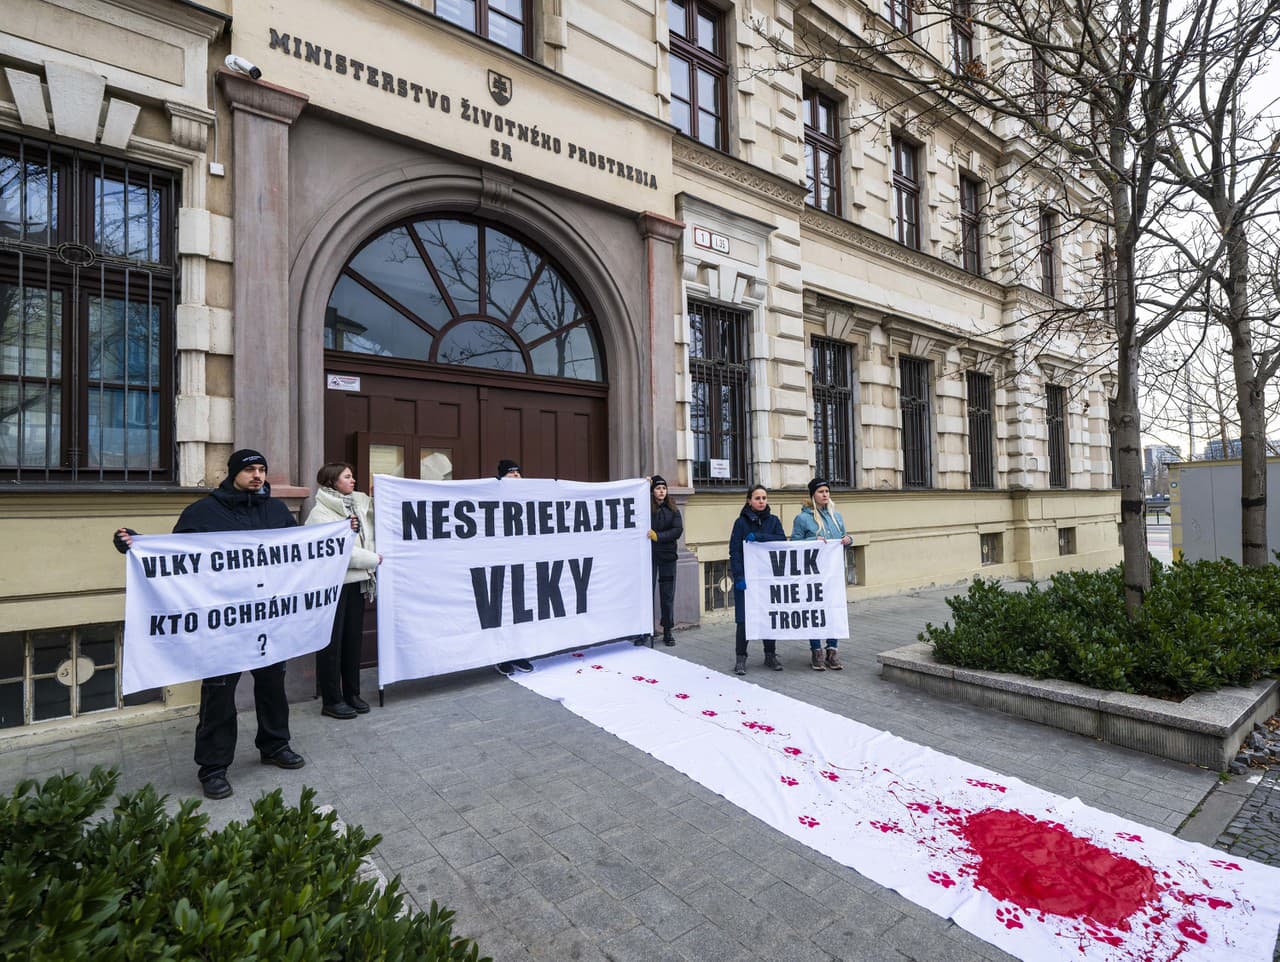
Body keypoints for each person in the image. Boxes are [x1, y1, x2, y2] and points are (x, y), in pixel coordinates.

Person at [113, 449, 306, 800]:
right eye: (250, 470)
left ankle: (275, 745)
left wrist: (341, 535)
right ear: (233, 473)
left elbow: (298, 552)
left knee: (272, 685)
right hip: (222, 625)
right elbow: (175, 557)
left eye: (262, 469)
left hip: (267, 617)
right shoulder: (203, 512)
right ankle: (213, 768)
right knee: (218, 694)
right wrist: (136, 544)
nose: (258, 476)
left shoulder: (276, 510)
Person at [305, 462, 381, 719]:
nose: (353, 480)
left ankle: (352, 693)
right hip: (333, 586)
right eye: (347, 477)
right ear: (331, 481)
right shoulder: (320, 514)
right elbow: (338, 550)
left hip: (357, 582)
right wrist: (374, 558)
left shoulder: (358, 504)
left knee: (352, 641)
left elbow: (378, 517)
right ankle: (331, 700)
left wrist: (383, 492)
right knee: (332, 644)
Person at [790, 478, 851, 671]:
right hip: (813, 573)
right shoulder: (803, 519)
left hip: (833, 573)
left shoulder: (836, 516)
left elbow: (844, 535)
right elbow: (794, 543)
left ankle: (832, 650)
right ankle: (816, 651)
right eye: (821, 492)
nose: (825, 494)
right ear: (812, 495)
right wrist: (811, 540)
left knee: (833, 609)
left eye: (827, 491)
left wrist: (849, 539)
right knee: (814, 610)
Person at [729, 484, 788, 675]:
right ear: (749, 501)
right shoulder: (740, 523)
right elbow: (734, 551)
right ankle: (741, 658)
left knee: (767, 615)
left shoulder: (773, 521)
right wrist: (738, 576)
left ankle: (770, 655)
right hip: (746, 578)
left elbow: (781, 541)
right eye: (757, 498)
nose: (761, 501)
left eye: (764, 498)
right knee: (744, 619)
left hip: (767, 578)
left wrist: (760, 537)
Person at [493, 459, 534, 676]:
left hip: (522, 565)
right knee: (502, 611)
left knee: (521, 610)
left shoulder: (527, 496)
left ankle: (519, 653)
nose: (517, 476)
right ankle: (502, 657)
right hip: (500, 564)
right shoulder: (491, 495)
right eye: (512, 473)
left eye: (519, 472)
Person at [645, 475, 683, 647]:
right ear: (652, 491)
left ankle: (667, 630)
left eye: (664, 488)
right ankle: (646, 631)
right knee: (647, 595)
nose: (661, 491)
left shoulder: (673, 509)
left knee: (667, 595)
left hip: (667, 557)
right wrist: (646, 483)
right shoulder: (646, 507)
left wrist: (658, 536)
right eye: (658, 488)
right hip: (649, 557)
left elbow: (677, 530)